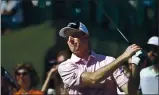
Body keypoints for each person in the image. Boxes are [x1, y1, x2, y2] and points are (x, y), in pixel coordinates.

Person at [57, 21, 141, 95]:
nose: (70, 40)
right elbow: (93, 79)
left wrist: (135, 63)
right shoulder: (65, 66)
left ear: (86, 38)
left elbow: (132, 92)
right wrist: (124, 56)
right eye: (68, 37)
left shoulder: (109, 61)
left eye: (74, 36)